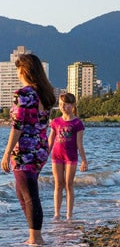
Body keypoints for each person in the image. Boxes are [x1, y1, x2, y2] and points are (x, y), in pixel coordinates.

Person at [0, 53, 55, 246]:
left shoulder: (23, 94)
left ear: (24, 70)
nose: (16, 73)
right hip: (40, 149)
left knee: (29, 195)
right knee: (22, 192)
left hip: (25, 151)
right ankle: (34, 233)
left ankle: (36, 237)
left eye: (17, 69)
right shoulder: (45, 94)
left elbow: (18, 126)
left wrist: (7, 153)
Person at [48, 93, 87, 221]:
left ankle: (69, 214)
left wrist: (84, 161)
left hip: (71, 157)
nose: (63, 106)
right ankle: (57, 213)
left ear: (73, 105)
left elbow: (79, 144)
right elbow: (51, 140)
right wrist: (44, 155)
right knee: (58, 184)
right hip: (56, 156)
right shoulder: (56, 122)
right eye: (60, 104)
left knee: (68, 184)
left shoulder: (77, 123)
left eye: (65, 104)